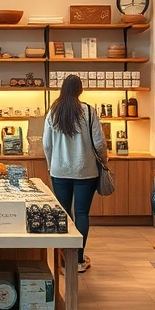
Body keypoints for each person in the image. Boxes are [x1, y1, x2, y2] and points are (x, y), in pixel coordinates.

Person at [42, 74, 106, 273]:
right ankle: (78, 260)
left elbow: (46, 144)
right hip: (86, 171)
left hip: (60, 170)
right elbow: (99, 143)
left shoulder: (53, 111)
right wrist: (104, 159)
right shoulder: (88, 111)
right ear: (80, 90)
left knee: (63, 214)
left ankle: (63, 260)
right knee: (81, 214)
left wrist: (51, 165)